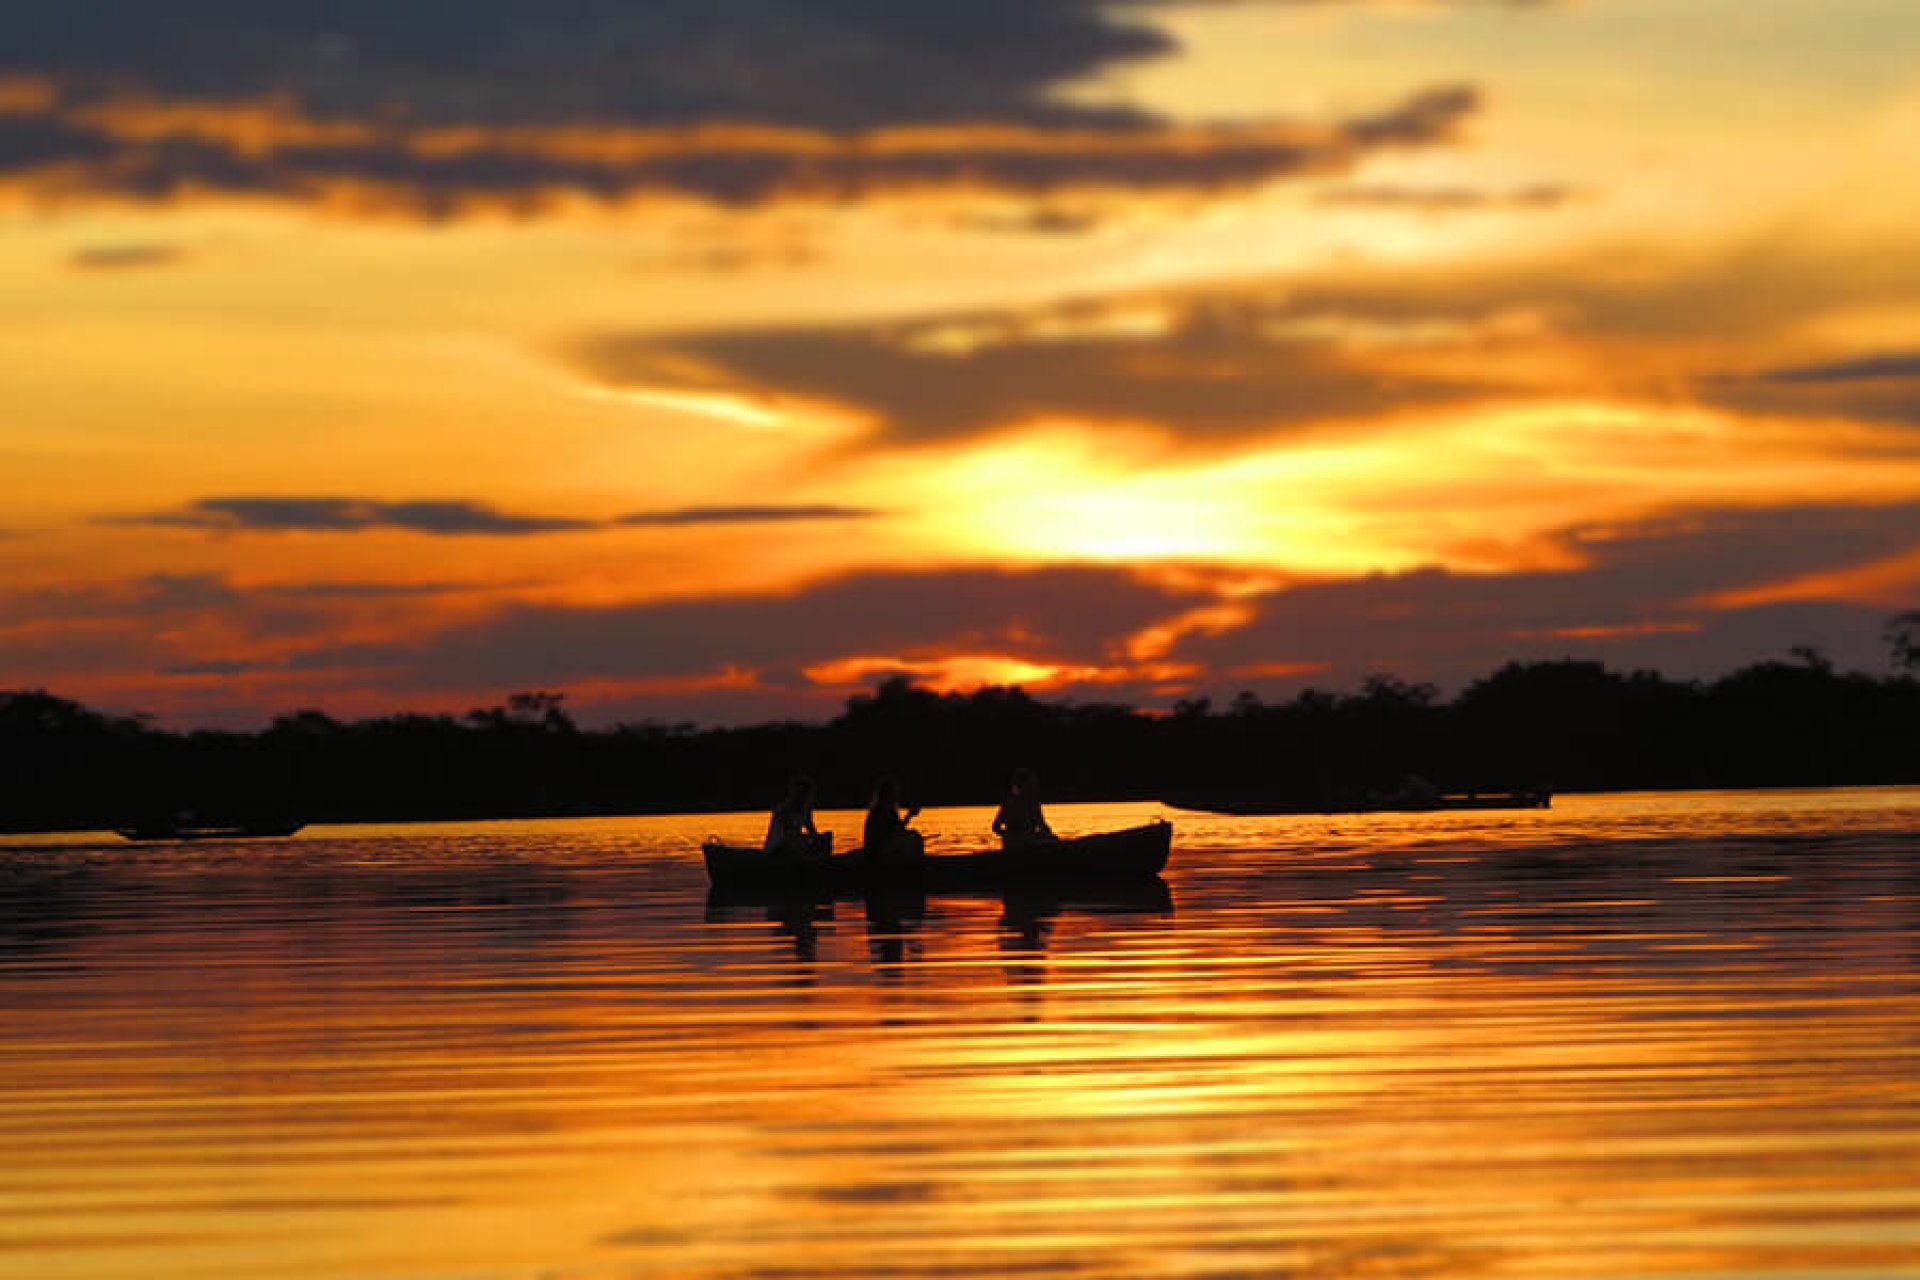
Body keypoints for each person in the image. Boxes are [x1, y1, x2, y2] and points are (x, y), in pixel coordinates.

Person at [862, 776, 922, 863]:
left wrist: (909, 816)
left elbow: (898, 829)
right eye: (894, 792)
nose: (897, 795)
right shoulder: (878, 813)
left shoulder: (891, 812)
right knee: (913, 839)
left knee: (914, 834)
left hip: (887, 847)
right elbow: (892, 832)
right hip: (878, 852)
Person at [992, 767, 1054, 850]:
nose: (1034, 788)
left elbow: (996, 827)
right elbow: (1041, 825)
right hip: (1026, 843)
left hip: (1011, 843)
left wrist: (1008, 835)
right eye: (1031, 785)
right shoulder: (1032, 804)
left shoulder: (1008, 803)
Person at [764, 774, 820, 855]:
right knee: (797, 841)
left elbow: (811, 831)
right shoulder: (783, 810)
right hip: (777, 849)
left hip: (793, 846)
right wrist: (807, 839)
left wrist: (819, 838)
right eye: (800, 793)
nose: (804, 797)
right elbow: (790, 834)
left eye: (805, 794)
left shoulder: (805, 811)